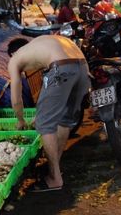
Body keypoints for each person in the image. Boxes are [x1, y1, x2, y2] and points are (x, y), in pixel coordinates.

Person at [7, 35, 90, 191]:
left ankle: (54, 178)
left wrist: (20, 120)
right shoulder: (42, 43)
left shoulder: (15, 59)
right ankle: (54, 166)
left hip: (62, 68)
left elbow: (16, 98)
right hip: (83, 68)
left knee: (44, 125)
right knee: (64, 120)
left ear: (13, 53)